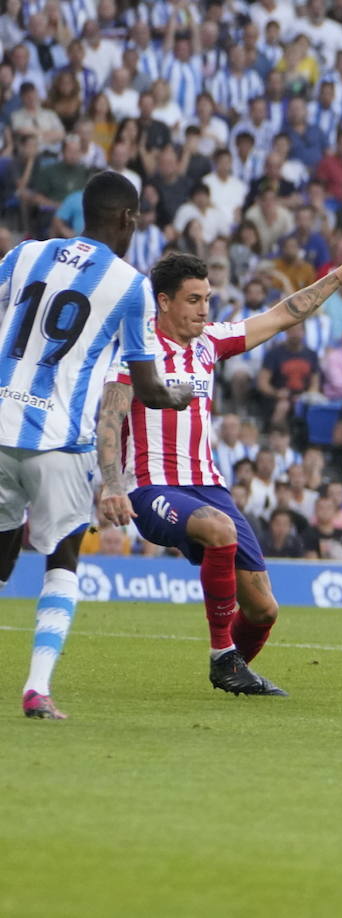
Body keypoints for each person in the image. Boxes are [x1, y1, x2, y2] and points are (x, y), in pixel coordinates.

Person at [96, 243, 342, 696]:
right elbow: (110, 418)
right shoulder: (136, 350)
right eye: (193, 299)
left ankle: (232, 669)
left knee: (263, 610)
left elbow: (282, 315)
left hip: (208, 487)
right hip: (151, 486)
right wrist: (112, 487)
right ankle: (222, 655)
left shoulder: (210, 343)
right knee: (219, 530)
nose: (203, 309)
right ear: (164, 301)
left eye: (208, 299)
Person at [0, 171, 192, 720]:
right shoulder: (130, 285)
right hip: (59, 441)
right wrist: (180, 395)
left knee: (1, 558)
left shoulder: (26, 254)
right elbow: (147, 388)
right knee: (61, 558)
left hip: (0, 423)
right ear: (129, 219)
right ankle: (37, 687)